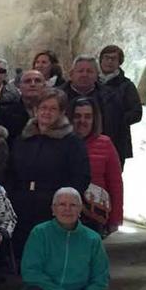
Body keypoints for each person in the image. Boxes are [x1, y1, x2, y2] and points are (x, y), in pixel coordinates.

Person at [8, 88, 90, 259]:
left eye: (53, 109)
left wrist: (64, 205)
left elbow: (80, 176)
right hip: (21, 206)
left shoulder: (71, 142)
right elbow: (10, 172)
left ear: (61, 112)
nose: (47, 112)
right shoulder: (23, 139)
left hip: (52, 208)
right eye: (43, 107)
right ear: (36, 110)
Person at [68, 97, 123, 236]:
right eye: (77, 116)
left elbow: (115, 184)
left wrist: (115, 219)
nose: (82, 121)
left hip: (94, 214)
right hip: (65, 211)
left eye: (88, 116)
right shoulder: (62, 142)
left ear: (94, 119)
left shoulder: (105, 144)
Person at [98, 46, 144, 167]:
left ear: (119, 63)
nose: (109, 61)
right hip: (94, 138)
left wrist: (115, 121)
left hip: (117, 140)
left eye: (113, 59)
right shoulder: (92, 82)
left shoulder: (126, 86)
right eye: (106, 58)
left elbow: (136, 112)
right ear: (100, 60)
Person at [0, 69, 46, 141]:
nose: (32, 84)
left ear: (44, 86)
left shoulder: (55, 110)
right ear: (19, 86)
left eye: (37, 81)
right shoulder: (6, 112)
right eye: (27, 81)